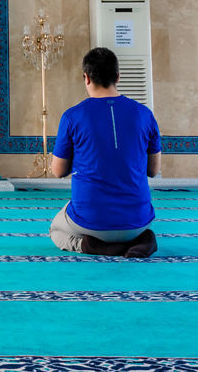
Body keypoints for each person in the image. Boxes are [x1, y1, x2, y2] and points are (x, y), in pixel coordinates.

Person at [48, 46, 161, 257]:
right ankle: (143, 239)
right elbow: (153, 170)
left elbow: (58, 171)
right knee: (137, 224)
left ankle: (90, 246)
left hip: (90, 223)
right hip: (137, 220)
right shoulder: (145, 115)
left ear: (86, 78)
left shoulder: (72, 116)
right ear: (118, 77)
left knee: (55, 230)